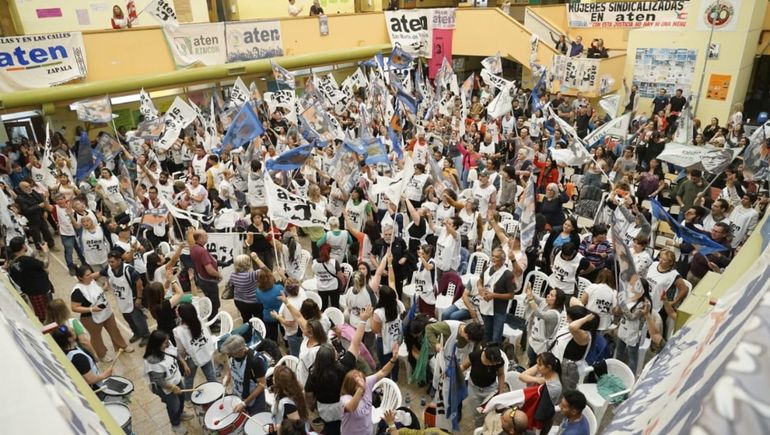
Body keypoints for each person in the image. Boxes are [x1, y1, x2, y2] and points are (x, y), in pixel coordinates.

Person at [305, 306, 371, 435]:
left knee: (331, 428)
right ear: (334, 357)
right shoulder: (344, 366)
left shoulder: (313, 373)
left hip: (325, 409)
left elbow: (308, 393)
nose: (336, 350)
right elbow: (356, 343)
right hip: (343, 405)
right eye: (334, 351)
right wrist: (363, 321)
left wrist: (311, 406)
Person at [70, 265, 132, 362]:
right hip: (91, 317)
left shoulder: (92, 281)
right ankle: (102, 355)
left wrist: (104, 288)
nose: (91, 276)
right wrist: (91, 309)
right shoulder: (78, 291)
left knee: (114, 330)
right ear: (80, 277)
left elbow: (96, 294)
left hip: (106, 311)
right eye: (87, 275)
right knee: (96, 337)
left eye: (91, 273)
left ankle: (122, 346)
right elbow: (74, 308)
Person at [339, 346, 399, 435]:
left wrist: (393, 359)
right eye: (357, 381)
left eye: (362, 378)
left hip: (368, 431)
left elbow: (383, 372)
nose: (362, 381)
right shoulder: (345, 398)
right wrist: (361, 389)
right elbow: (351, 408)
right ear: (351, 386)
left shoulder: (366, 383)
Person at [143, 330, 193, 434]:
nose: (168, 343)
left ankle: (180, 414)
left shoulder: (167, 345)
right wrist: (173, 388)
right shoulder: (153, 360)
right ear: (157, 344)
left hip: (176, 379)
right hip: (165, 387)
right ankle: (175, 424)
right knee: (173, 405)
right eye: (165, 342)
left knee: (181, 399)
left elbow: (175, 353)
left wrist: (184, 363)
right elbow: (159, 380)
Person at [101, 249, 150, 346]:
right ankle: (136, 333)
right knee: (128, 319)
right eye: (109, 261)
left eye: (112, 262)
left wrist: (139, 298)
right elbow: (99, 274)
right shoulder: (109, 269)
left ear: (119, 260)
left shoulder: (129, 270)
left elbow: (139, 283)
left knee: (138, 319)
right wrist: (87, 277)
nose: (110, 264)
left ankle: (146, 336)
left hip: (132, 299)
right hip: (121, 300)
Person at [173, 303, 218, 401]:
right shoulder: (198, 319)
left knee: (189, 379)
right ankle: (218, 393)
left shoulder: (178, 331)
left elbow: (181, 350)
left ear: (181, 315)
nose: (176, 310)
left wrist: (182, 361)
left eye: (178, 310)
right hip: (205, 352)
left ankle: (188, 399)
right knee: (211, 375)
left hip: (191, 358)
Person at [52, 324, 112, 392]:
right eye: (72, 331)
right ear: (70, 339)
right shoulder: (78, 358)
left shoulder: (66, 350)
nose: (74, 330)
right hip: (97, 388)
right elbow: (90, 380)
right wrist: (105, 375)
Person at [8, 236, 53, 323]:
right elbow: (45, 264)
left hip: (31, 293)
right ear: (23, 246)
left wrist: (36, 252)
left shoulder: (12, 261)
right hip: (41, 292)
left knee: (41, 314)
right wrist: (46, 251)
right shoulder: (27, 261)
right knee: (48, 314)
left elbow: (24, 269)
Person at [462, 342, 507, 427]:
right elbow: (464, 366)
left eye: (495, 364)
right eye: (491, 363)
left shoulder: (499, 362)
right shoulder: (475, 356)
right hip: (474, 389)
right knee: (477, 414)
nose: (493, 365)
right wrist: (452, 372)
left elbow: (501, 374)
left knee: (490, 412)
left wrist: (501, 391)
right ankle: (479, 429)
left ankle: (488, 428)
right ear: (485, 357)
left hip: (490, 390)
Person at [220, 334, 267, 415]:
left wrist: (244, 403)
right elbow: (231, 366)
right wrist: (228, 376)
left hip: (254, 400)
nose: (229, 356)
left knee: (254, 421)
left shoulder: (256, 361)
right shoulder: (232, 356)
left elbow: (262, 385)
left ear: (241, 350)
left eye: (231, 354)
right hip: (239, 394)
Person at [477, 247, 515, 343]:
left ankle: (497, 355)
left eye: (497, 257)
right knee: (486, 333)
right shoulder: (487, 268)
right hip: (486, 305)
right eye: (492, 256)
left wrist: (494, 295)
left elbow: (511, 295)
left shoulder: (508, 274)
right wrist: (480, 287)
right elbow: (480, 280)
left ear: (503, 260)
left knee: (496, 337)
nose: (493, 258)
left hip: (499, 309)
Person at [524, 285, 567, 367]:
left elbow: (539, 313)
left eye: (551, 295)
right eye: (549, 293)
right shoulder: (546, 303)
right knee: (530, 361)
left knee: (538, 366)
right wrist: (530, 292)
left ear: (557, 300)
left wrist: (530, 298)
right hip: (534, 339)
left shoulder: (554, 314)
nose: (548, 295)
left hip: (542, 346)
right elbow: (537, 298)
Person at [188, 228, 222, 327]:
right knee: (214, 302)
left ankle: (214, 318)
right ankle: (213, 323)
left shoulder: (193, 248)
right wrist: (218, 274)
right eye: (205, 236)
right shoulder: (202, 251)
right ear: (199, 239)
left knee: (211, 300)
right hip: (208, 281)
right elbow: (209, 269)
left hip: (202, 279)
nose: (207, 237)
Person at [15, 180, 55, 250]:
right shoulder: (20, 198)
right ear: (21, 189)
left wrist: (45, 211)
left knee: (47, 233)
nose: (29, 188)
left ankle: (51, 245)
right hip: (32, 220)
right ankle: (40, 250)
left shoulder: (33, 192)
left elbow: (42, 201)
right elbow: (26, 211)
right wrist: (39, 206)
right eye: (27, 187)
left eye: (29, 186)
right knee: (37, 237)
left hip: (41, 216)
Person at [270, 365, 310, 430]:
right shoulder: (296, 386)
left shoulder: (288, 405)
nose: (273, 378)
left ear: (280, 384)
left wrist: (274, 428)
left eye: (274, 376)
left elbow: (297, 427)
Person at [254, 263, 284, 341]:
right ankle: (287, 345)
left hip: (268, 316)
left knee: (272, 334)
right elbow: (286, 298)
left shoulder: (258, 291)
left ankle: (275, 344)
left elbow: (259, 302)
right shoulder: (279, 287)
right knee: (284, 331)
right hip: (282, 314)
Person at [311, 243, 342, 310]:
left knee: (323, 306)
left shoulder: (315, 263)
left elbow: (315, 273)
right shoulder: (334, 262)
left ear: (320, 252)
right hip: (334, 287)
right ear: (330, 252)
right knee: (335, 306)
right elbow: (340, 276)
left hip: (321, 288)